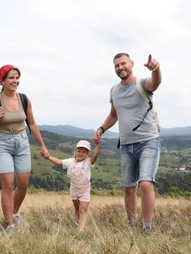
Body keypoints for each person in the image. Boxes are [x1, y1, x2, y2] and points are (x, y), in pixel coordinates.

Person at [93, 53, 162, 234]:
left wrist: (156, 69)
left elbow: (156, 83)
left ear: (131, 64)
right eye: (116, 65)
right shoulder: (114, 90)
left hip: (148, 142)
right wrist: (101, 129)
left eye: (123, 64)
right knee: (129, 188)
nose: (120, 68)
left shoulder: (142, 84)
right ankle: (131, 224)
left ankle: (147, 227)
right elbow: (114, 115)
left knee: (146, 184)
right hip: (126, 145)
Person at [0, 64, 49, 234]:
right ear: (2, 81)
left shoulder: (24, 99)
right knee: (7, 186)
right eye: (11, 78)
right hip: (3, 143)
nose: (15, 81)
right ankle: (10, 225)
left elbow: (32, 124)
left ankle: (13, 213)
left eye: (17, 78)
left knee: (23, 185)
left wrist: (42, 145)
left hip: (22, 142)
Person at [45, 140, 100, 231]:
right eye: (79, 151)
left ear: (87, 153)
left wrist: (97, 144)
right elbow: (59, 162)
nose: (81, 154)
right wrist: (48, 157)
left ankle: (81, 230)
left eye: (84, 152)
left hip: (84, 191)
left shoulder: (87, 163)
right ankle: (78, 223)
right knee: (77, 209)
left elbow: (95, 156)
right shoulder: (70, 162)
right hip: (74, 190)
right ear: (75, 151)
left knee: (83, 210)